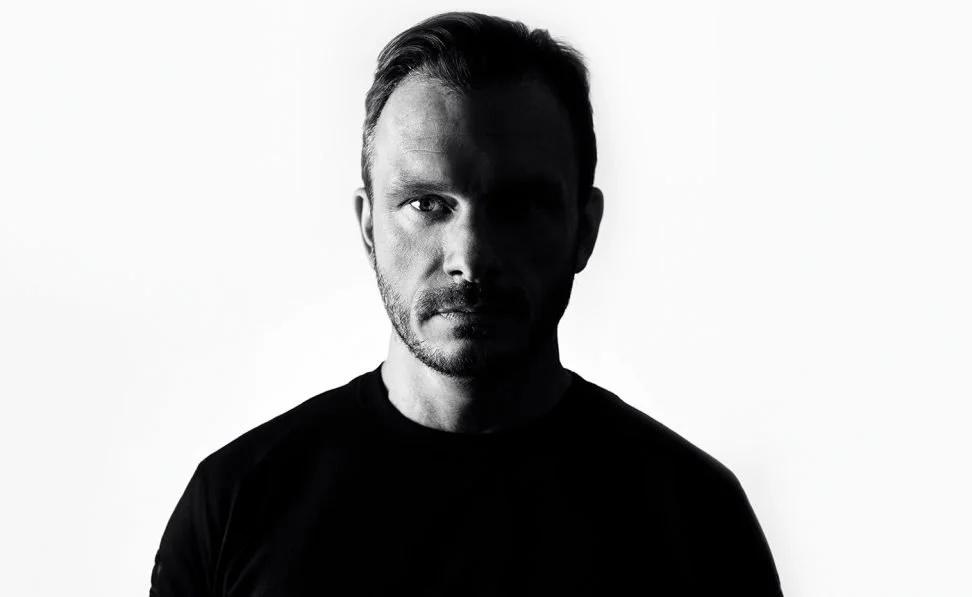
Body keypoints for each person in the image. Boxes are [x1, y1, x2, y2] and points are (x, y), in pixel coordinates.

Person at [149, 12, 784, 596]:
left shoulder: (696, 518)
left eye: (519, 206)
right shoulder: (235, 506)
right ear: (369, 226)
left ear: (584, 229)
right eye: (427, 204)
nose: (471, 257)